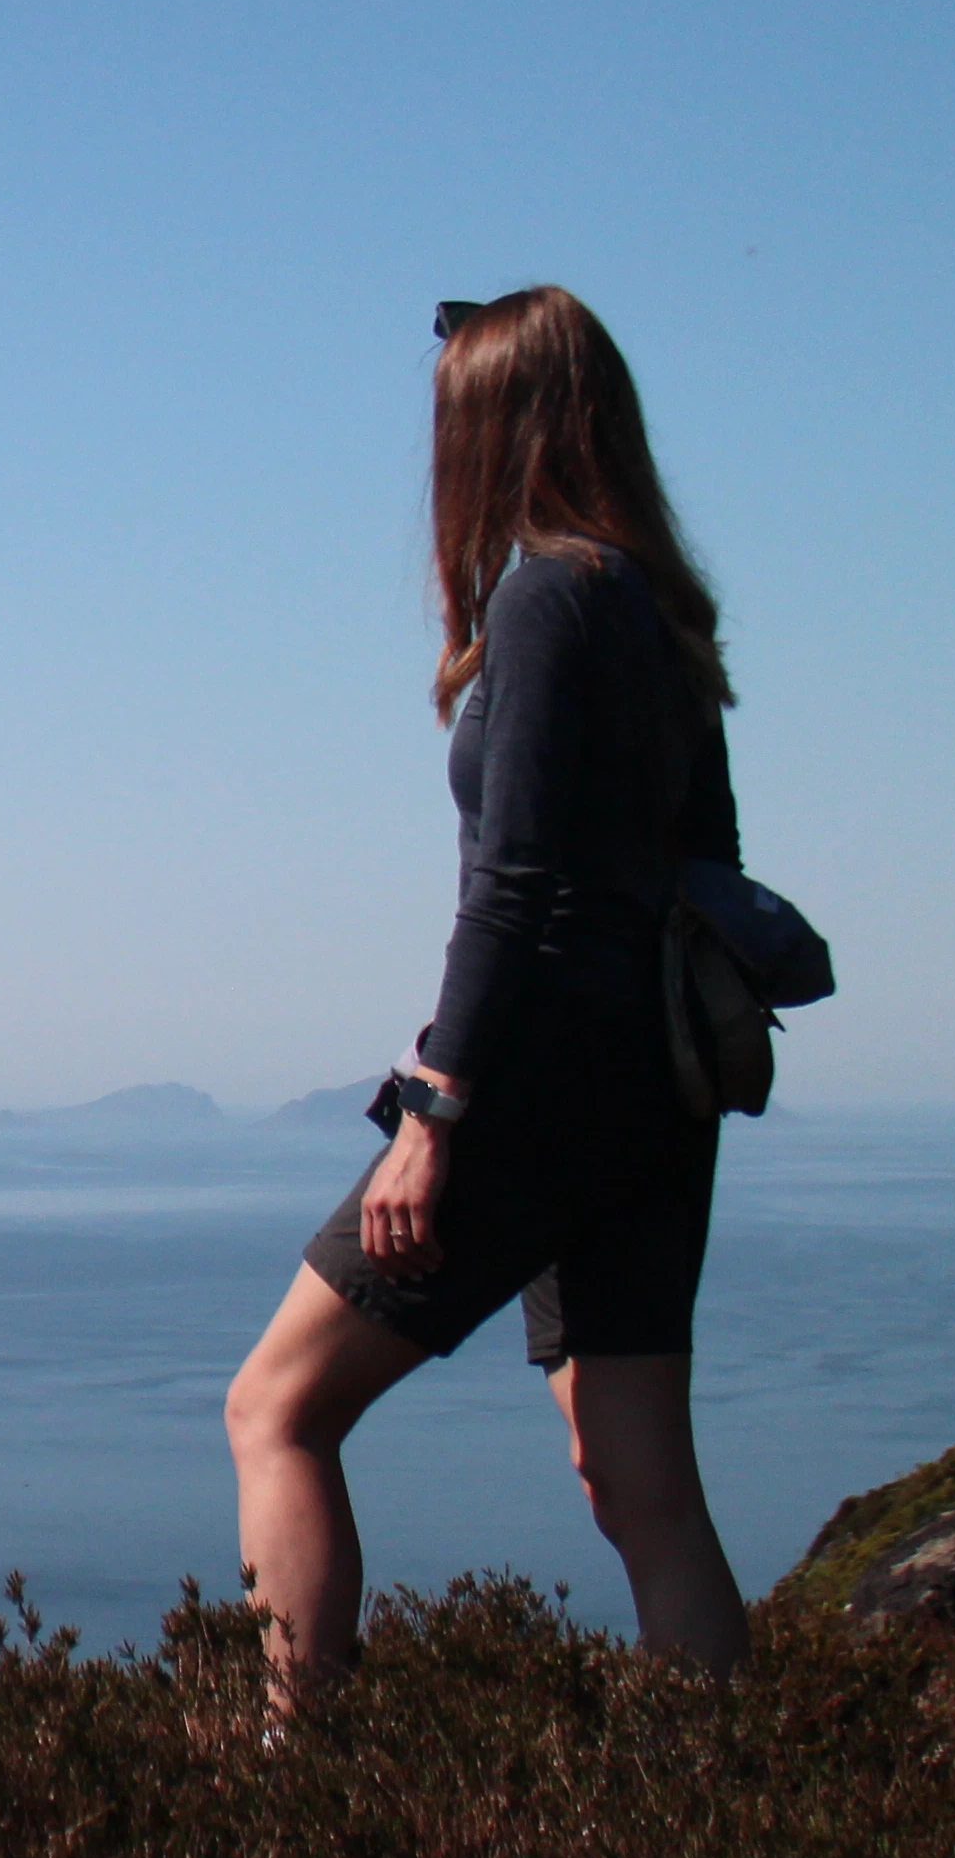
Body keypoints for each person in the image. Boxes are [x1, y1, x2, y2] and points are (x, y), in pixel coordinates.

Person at [222, 286, 751, 1719]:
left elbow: (511, 889)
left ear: (497, 428)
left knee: (276, 1411)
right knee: (643, 1487)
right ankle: (726, 1809)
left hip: (539, 1087)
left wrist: (433, 1113)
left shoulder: (545, 601)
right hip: (659, 1097)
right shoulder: (662, 619)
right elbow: (714, 870)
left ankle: (286, 1788)